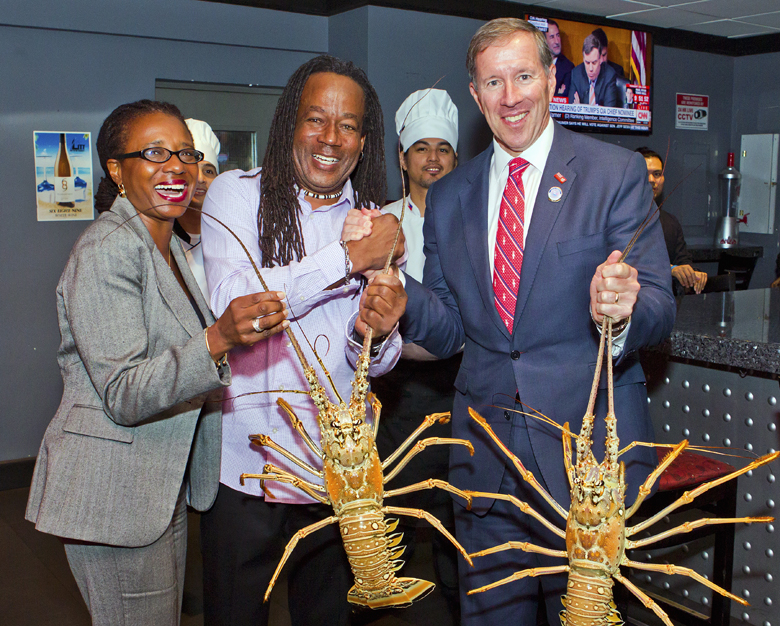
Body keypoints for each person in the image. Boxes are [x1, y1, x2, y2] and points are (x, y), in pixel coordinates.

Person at [360, 18, 675, 625]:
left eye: (524, 75)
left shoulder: (613, 173)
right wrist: (404, 298)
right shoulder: (452, 195)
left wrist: (624, 307)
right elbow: (452, 325)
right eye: (494, 82)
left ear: (552, 79)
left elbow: (659, 304)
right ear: (476, 96)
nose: (511, 96)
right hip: (485, 457)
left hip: (589, 464)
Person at [24, 100, 288, 626]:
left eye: (185, 153)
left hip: (154, 484)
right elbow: (124, 392)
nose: (177, 166)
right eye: (154, 153)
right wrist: (217, 338)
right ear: (117, 171)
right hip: (114, 491)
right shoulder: (108, 248)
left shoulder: (168, 245)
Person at [199, 55, 405, 626]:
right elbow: (235, 307)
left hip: (337, 476)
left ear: (364, 142)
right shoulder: (235, 197)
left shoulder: (373, 223)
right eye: (316, 119)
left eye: (348, 126)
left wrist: (380, 329)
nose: (330, 139)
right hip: (246, 470)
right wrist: (346, 261)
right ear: (290, 122)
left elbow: (372, 360)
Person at [371, 87, 461, 621]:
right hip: (398, 390)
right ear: (402, 159)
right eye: (421, 148)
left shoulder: (477, 223)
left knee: (458, 514)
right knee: (395, 513)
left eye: (444, 149)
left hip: (461, 386)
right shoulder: (380, 223)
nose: (433, 158)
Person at [636, 147, 708, 294]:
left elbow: (683, 260)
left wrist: (693, 273)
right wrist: (671, 269)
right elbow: (628, 261)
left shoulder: (670, 222)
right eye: (644, 174)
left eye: (657, 174)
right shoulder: (618, 217)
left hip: (665, 300)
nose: (651, 180)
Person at [173, 118, 221, 298]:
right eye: (193, 169)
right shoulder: (162, 238)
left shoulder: (228, 236)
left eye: (209, 171)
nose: (200, 178)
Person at [569, 33, 618, 107]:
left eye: (594, 63)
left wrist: (581, 108)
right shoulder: (576, 74)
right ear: (583, 59)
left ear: (600, 59)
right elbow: (571, 110)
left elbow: (609, 113)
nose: (590, 69)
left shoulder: (610, 75)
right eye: (587, 63)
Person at [545, 19, 574, 98]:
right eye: (552, 37)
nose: (557, 41)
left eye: (558, 35)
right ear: (544, 41)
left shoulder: (568, 67)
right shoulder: (537, 63)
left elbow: (563, 97)